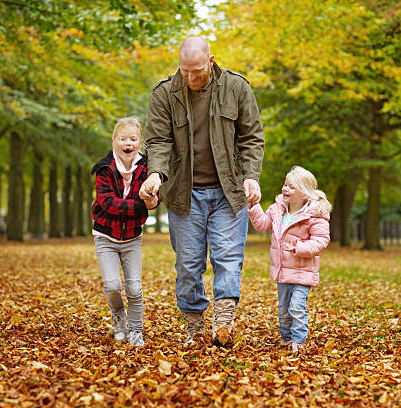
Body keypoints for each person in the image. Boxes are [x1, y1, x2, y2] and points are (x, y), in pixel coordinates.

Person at [139, 36, 265, 346]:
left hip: (229, 192)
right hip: (184, 194)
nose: (191, 78)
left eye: (197, 71)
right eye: (185, 71)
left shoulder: (237, 88)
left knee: (228, 258)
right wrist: (155, 173)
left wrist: (251, 177)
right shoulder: (164, 93)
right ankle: (194, 326)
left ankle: (223, 321)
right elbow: (158, 141)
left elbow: (251, 138)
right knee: (188, 265)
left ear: (210, 61)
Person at [247, 166, 331, 352]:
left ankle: (298, 340)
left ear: (304, 194)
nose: (285, 189)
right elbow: (262, 225)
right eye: (285, 184)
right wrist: (254, 207)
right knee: (284, 309)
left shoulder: (315, 216)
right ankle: (286, 338)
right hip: (283, 271)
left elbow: (321, 240)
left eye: (291, 187)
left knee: (296, 308)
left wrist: (300, 247)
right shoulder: (278, 210)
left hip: (302, 272)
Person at [91, 117, 158, 347]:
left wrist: (151, 201)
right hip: (105, 236)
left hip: (132, 237)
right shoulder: (104, 169)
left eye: (132, 139)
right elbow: (107, 202)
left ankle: (136, 330)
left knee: (134, 287)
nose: (127, 143)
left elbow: (153, 200)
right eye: (122, 138)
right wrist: (140, 206)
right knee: (112, 285)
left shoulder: (146, 169)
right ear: (114, 141)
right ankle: (119, 317)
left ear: (140, 143)